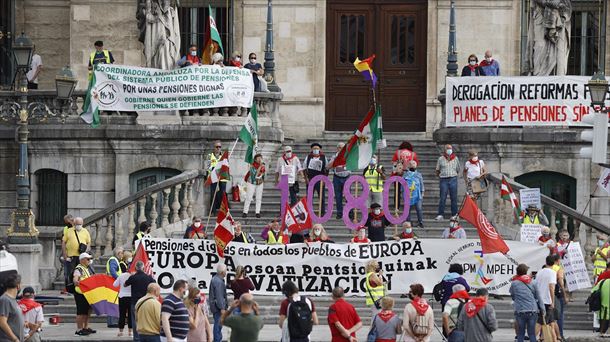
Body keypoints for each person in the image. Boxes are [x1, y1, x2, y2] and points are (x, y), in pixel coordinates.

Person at [510, 264, 544, 342]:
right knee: (531, 334)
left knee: (520, 333)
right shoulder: (533, 282)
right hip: (532, 310)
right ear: (526, 272)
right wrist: (543, 309)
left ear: (517, 272)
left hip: (520, 311)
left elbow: (512, 295)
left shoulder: (514, 283)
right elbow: (538, 297)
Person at [125, 261, 156, 342]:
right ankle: (144, 337)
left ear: (135, 268)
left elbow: (125, 284)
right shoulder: (148, 277)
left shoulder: (133, 277)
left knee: (135, 321)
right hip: (146, 302)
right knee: (146, 320)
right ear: (143, 268)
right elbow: (155, 284)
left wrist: (131, 276)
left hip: (135, 302)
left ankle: (137, 338)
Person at [62, 217, 91, 290]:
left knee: (82, 272)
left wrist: (86, 251)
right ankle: (70, 288)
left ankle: (80, 287)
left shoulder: (85, 231)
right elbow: (63, 242)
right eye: (77, 224)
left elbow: (89, 242)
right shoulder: (69, 231)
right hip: (71, 256)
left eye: (80, 224)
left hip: (81, 257)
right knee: (70, 273)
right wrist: (65, 255)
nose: (79, 225)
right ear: (74, 224)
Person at [535, 255, 559, 342]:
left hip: (539, 299)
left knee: (551, 323)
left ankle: (554, 340)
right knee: (540, 322)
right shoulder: (552, 273)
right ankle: (532, 338)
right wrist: (552, 301)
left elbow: (536, 286)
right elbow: (551, 287)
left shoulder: (539, 272)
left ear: (546, 262)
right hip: (546, 300)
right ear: (554, 263)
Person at [435, 144, 461, 220]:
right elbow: (437, 170)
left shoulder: (455, 158)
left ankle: (454, 214)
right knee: (442, 197)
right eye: (447, 148)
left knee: (454, 198)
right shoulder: (440, 159)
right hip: (443, 179)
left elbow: (458, 169)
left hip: (453, 179)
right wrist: (440, 176)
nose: (449, 149)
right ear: (445, 150)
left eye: (450, 148)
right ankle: (440, 214)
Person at [73, 252, 95, 336]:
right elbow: (75, 280)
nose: (89, 261)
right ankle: (79, 329)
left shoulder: (87, 268)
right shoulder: (79, 269)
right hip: (80, 294)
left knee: (87, 311)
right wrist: (79, 283)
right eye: (88, 259)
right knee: (81, 312)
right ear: (82, 260)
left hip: (87, 293)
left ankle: (85, 327)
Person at [304, 143, 329, 216]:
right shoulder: (308, 157)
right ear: (311, 149)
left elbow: (326, 169)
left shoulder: (324, 157)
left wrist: (325, 179)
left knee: (321, 196)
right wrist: (306, 179)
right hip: (310, 179)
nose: (316, 150)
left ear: (320, 149)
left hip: (320, 180)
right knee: (309, 197)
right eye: (314, 148)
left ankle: (322, 212)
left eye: (317, 148)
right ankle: (309, 212)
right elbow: (304, 168)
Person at [328, 142, 350, 219]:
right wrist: (335, 160)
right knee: (338, 196)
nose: (341, 149)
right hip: (337, 178)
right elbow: (328, 166)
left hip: (346, 177)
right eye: (340, 147)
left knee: (348, 196)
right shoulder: (334, 156)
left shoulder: (348, 156)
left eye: (343, 147)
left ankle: (349, 213)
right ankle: (339, 213)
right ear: (337, 148)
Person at [206, 140, 229, 214]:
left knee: (223, 193)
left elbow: (226, 167)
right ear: (214, 148)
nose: (218, 148)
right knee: (213, 193)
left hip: (222, 176)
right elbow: (208, 167)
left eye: (220, 147)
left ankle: (224, 210)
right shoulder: (210, 156)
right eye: (217, 147)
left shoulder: (224, 156)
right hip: (213, 176)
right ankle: (213, 211)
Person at [0, 273, 24, 342]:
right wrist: (15, 339)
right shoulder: (5, 300)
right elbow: (2, 322)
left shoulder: (12, 300)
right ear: (18, 285)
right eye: (21, 283)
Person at [550, 254, 569, 340]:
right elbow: (561, 283)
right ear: (557, 261)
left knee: (549, 316)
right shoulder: (558, 269)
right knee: (560, 316)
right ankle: (560, 335)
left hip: (549, 294)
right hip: (558, 294)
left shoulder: (548, 268)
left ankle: (547, 335)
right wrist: (565, 295)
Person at [243, 153, 266, 218]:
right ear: (255, 159)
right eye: (258, 158)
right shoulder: (252, 165)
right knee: (249, 197)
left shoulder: (263, 166)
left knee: (259, 198)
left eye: (261, 158)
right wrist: (260, 166)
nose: (260, 159)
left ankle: (257, 212)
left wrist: (262, 166)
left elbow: (262, 174)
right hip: (251, 182)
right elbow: (255, 175)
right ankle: (245, 212)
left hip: (259, 183)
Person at [113, 261, 133, 337]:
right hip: (131, 297)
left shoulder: (121, 275)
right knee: (131, 315)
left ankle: (120, 332)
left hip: (122, 297)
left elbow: (114, 285)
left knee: (122, 314)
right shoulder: (133, 276)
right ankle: (130, 332)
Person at [209, 264, 228, 342]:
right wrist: (222, 308)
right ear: (222, 272)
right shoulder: (218, 281)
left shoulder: (216, 279)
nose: (226, 272)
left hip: (216, 307)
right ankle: (217, 340)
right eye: (226, 270)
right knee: (218, 325)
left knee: (218, 324)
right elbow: (219, 296)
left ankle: (217, 339)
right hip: (218, 308)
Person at [404, 160, 424, 227]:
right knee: (408, 209)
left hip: (417, 194)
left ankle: (420, 222)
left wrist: (422, 193)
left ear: (416, 165)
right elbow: (402, 184)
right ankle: (408, 222)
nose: (412, 165)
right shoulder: (405, 174)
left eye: (413, 163)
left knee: (419, 208)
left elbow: (421, 184)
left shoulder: (419, 175)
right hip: (408, 194)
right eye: (410, 164)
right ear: (408, 166)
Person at [593, 262, 610, 337]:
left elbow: (595, 288)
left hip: (603, 303)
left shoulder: (603, 275)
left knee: (604, 322)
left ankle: (602, 333)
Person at [60, 215, 74, 290]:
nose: (66, 222)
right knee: (67, 273)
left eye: (67, 221)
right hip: (67, 254)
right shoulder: (65, 229)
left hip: (75, 254)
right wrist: (64, 254)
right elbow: (63, 241)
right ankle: (68, 288)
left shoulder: (76, 228)